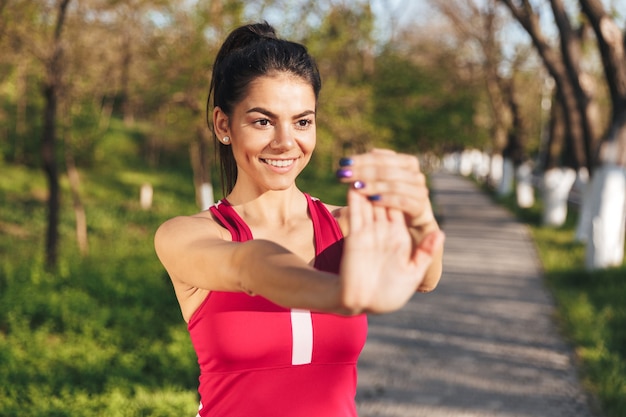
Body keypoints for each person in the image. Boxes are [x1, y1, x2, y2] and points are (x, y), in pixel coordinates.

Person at [154, 21, 445, 417]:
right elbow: (250, 266)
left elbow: (427, 278)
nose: (285, 141)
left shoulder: (346, 226)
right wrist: (345, 296)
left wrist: (421, 219)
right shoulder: (186, 235)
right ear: (224, 125)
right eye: (263, 121)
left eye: (302, 121)